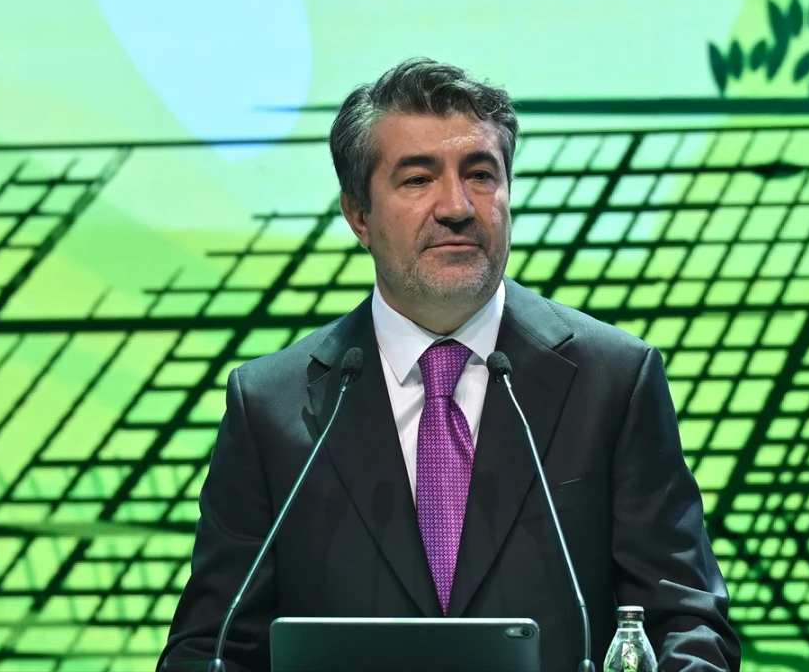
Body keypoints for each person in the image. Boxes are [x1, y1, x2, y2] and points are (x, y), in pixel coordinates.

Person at [158, 58, 741, 671]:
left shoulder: (613, 380)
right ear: (358, 215)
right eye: (417, 179)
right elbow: (211, 647)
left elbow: (689, 622)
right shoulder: (270, 406)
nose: (457, 206)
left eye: (481, 174)